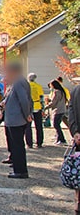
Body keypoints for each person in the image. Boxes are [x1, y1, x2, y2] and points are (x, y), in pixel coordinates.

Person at [2, 62, 32, 179]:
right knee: (16, 145)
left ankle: (20, 171)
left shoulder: (19, 82)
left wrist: (26, 114)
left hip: (17, 119)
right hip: (15, 118)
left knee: (18, 145)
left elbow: (24, 100)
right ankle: (17, 166)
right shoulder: (19, 81)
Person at [68, 84, 80, 215]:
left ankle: (77, 202)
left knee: (78, 170)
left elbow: (70, 111)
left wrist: (75, 131)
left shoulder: (76, 90)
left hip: (78, 138)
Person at [46, 79, 68, 145]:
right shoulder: (62, 92)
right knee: (57, 124)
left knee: (56, 125)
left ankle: (62, 139)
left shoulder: (57, 92)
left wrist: (46, 107)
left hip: (58, 110)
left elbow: (54, 102)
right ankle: (59, 139)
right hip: (62, 109)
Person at [26, 73, 45, 148]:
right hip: (37, 105)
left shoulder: (26, 86)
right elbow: (41, 98)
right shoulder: (38, 86)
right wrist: (43, 108)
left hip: (28, 106)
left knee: (28, 126)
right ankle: (39, 142)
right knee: (39, 125)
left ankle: (29, 143)